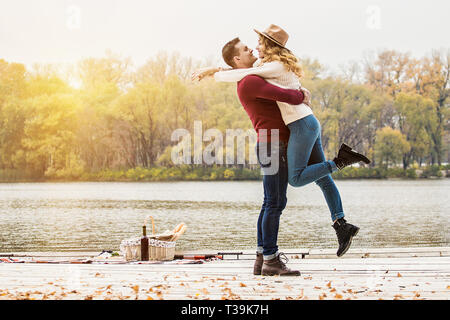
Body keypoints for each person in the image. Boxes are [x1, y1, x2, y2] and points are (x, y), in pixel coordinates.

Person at [193, 25, 371, 269]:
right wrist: (300, 93)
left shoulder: (260, 72)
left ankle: (332, 228)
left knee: (275, 200)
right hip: (274, 141)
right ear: (237, 59)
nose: (253, 49)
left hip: (292, 131)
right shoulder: (250, 81)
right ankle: (269, 258)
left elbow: (242, 74)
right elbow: (288, 95)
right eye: (247, 49)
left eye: (256, 44)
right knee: (275, 201)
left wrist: (213, 70)